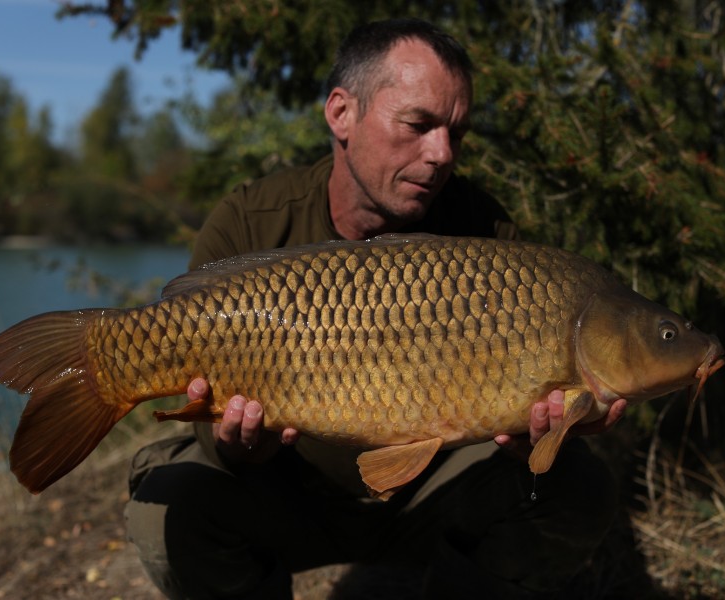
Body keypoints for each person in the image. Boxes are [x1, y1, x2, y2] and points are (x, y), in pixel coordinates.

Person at [125, 18, 625, 599]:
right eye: (418, 124)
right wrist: (235, 444)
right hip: (286, 493)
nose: (440, 154)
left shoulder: (485, 234)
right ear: (341, 113)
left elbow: (529, 423)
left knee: (579, 488)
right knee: (166, 512)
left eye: (456, 134)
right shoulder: (250, 223)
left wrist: (541, 439)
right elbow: (207, 409)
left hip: (430, 496)